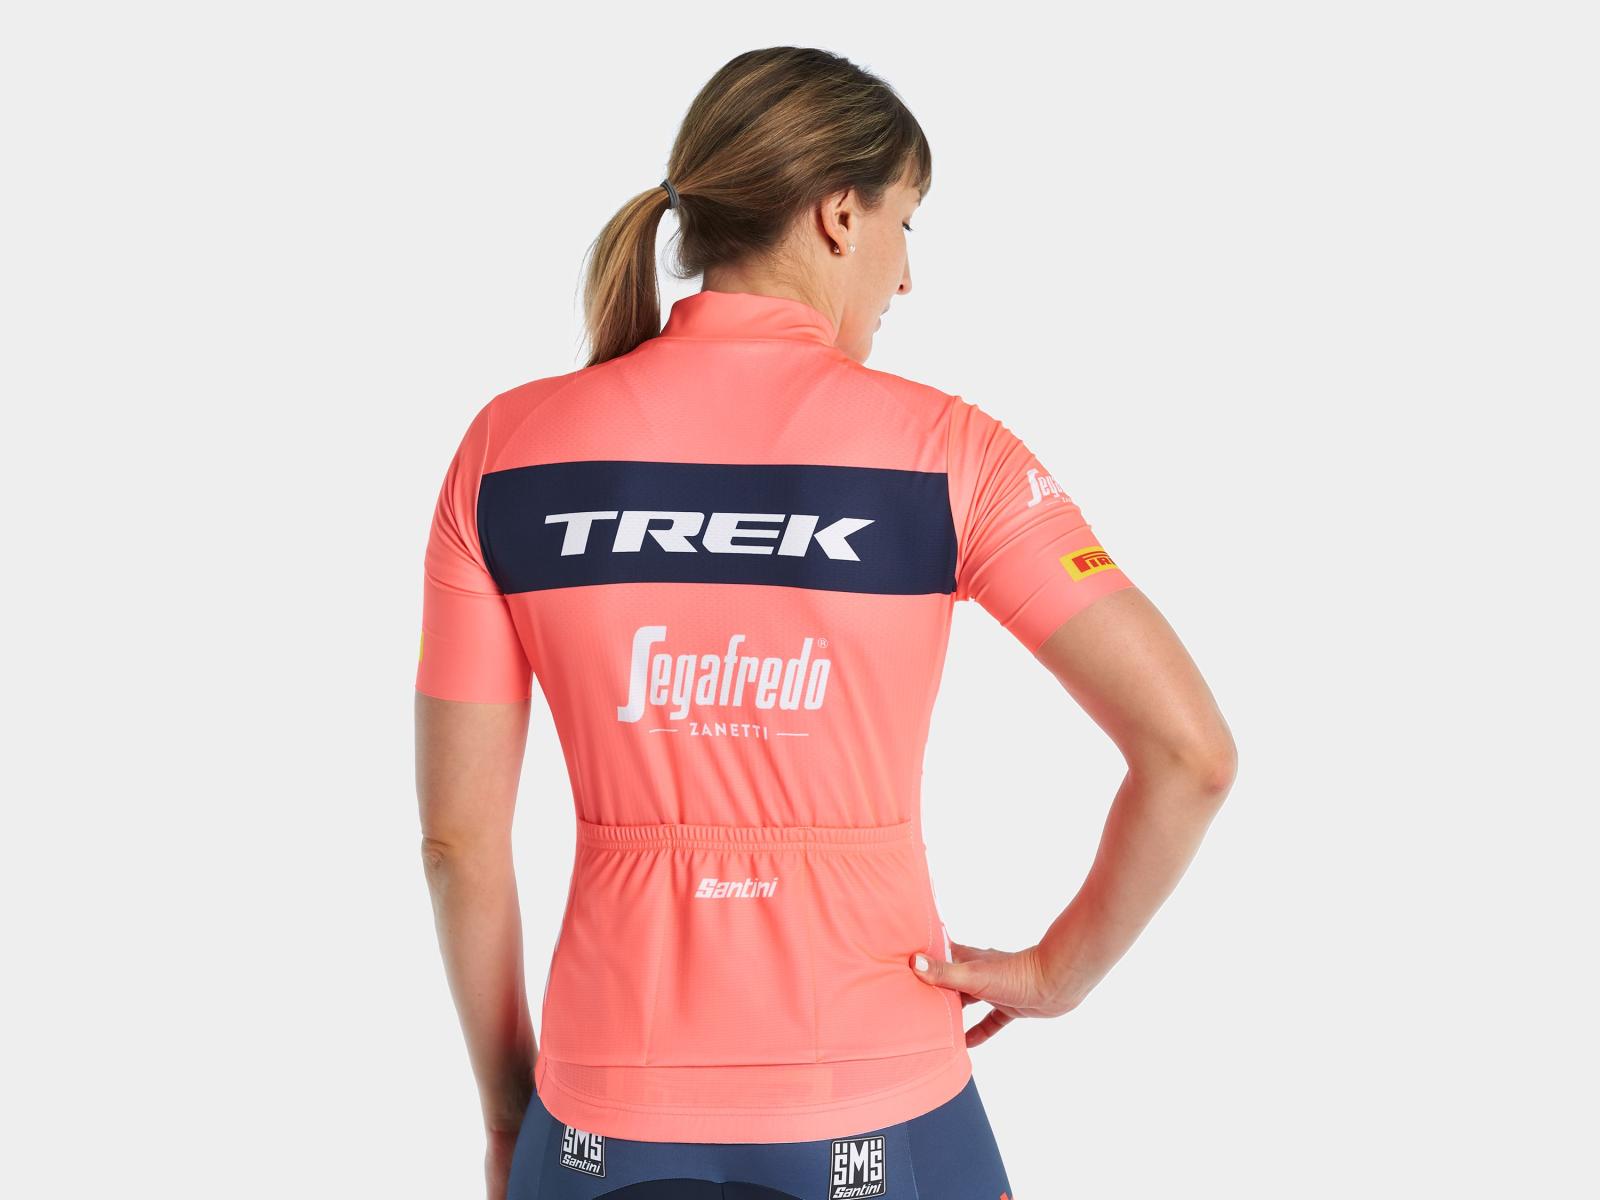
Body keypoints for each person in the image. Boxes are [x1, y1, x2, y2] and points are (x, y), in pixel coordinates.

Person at [414, 46, 1236, 1200]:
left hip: (594, 1112)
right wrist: (1058, 972)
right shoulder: (950, 453)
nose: (906, 278)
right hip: (881, 1098)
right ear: (840, 215)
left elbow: (457, 845)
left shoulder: (507, 452)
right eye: (907, 223)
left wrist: (512, 1113)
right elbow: (1191, 754)